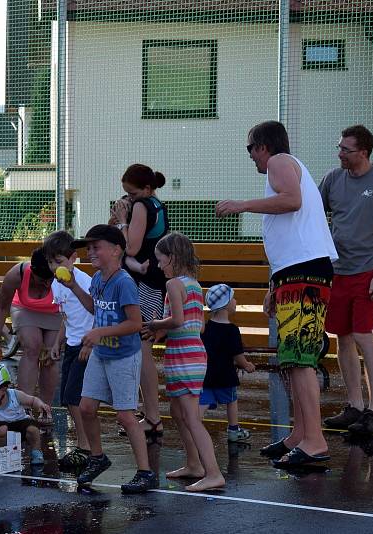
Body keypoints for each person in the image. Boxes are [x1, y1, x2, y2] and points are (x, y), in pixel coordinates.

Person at [216, 120, 337, 468]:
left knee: (300, 360)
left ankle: (314, 441)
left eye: (250, 149)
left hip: (305, 274)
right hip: (295, 273)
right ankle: (301, 433)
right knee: (292, 358)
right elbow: (290, 233)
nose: (251, 157)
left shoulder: (279, 162)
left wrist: (242, 205)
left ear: (262, 146)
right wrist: (275, 286)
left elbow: (292, 201)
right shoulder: (281, 166)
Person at [59, 224, 158, 494]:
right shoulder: (98, 279)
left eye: (96, 247)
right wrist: (74, 287)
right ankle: (98, 457)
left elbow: (136, 323)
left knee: (125, 416)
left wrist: (100, 332)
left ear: (116, 250)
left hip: (123, 357)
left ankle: (145, 472)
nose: (90, 252)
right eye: (88, 248)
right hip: (102, 354)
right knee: (87, 407)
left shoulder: (123, 281)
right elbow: (94, 306)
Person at [319, 125, 373, 435]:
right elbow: (314, 214)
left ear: (363, 152)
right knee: (343, 337)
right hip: (337, 271)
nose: (340, 153)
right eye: (339, 147)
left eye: (345, 149)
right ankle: (354, 405)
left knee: (364, 337)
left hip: (367, 272)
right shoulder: (333, 179)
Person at [144, 232, 225, 491]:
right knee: (178, 413)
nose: (158, 265)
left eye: (160, 260)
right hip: (191, 352)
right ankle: (194, 464)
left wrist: (157, 323)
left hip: (184, 356)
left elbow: (177, 320)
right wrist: (161, 328)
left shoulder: (173, 285)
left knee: (190, 416)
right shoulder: (193, 285)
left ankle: (213, 472)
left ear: (173, 258)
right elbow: (196, 326)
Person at [110, 163, 169, 437]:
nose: (128, 200)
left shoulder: (144, 206)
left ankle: (154, 417)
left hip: (147, 285)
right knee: (141, 349)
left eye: (131, 194)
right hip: (149, 282)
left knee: (143, 350)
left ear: (146, 189)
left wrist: (123, 220)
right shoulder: (153, 204)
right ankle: (151, 415)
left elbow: (129, 247)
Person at [43, 230, 94, 472]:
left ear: (73, 258)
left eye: (59, 262)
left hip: (86, 345)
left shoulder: (84, 282)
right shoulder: (57, 283)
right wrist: (57, 342)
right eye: (51, 262)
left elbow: (97, 314)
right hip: (72, 344)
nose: (54, 267)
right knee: (67, 397)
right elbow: (65, 317)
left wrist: (89, 343)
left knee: (75, 397)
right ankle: (86, 446)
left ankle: (87, 448)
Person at [0, 248, 61, 416]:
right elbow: (2, 307)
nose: (47, 284)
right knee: (32, 346)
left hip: (56, 311)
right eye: (42, 280)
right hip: (25, 308)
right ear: (32, 271)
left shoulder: (60, 274)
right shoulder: (17, 274)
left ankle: (45, 408)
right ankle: (24, 408)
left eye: (50, 279)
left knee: (51, 355)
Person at [200, 284, 256, 442]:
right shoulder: (232, 330)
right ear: (225, 305)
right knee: (231, 400)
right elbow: (237, 355)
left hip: (207, 374)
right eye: (233, 298)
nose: (236, 301)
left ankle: (193, 425)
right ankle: (233, 429)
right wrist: (246, 365)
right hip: (225, 375)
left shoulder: (206, 327)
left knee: (203, 401)